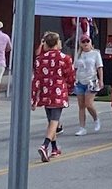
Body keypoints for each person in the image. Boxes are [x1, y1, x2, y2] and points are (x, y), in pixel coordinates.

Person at [31, 31, 74, 161]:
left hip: (45, 92)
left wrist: (34, 98)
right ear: (56, 43)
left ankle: (54, 148)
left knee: (51, 122)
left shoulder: (39, 59)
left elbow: (36, 79)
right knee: (55, 120)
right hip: (58, 92)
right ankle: (45, 145)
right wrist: (70, 88)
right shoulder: (65, 58)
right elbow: (70, 76)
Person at [73, 34, 104, 134]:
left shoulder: (95, 53)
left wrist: (101, 80)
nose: (85, 43)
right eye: (83, 42)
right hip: (80, 80)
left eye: (87, 41)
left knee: (88, 104)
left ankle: (96, 119)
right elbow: (75, 68)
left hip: (91, 80)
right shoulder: (78, 55)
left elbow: (99, 67)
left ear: (90, 42)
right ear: (80, 44)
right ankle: (82, 127)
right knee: (81, 105)